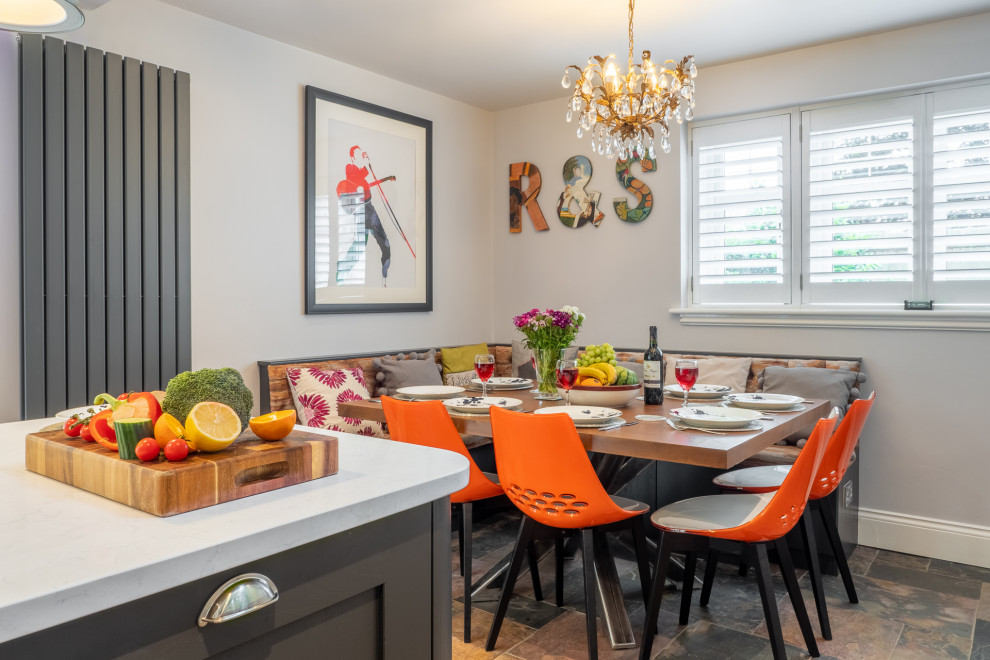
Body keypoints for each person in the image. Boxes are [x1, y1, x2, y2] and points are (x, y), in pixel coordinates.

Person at [335, 146, 394, 286]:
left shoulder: (360, 173)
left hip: (370, 210)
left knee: (384, 245)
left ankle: (384, 276)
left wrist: (385, 177)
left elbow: (364, 182)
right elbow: (357, 178)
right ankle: (342, 269)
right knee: (360, 247)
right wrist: (366, 165)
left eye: (363, 154)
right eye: (359, 155)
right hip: (361, 213)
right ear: (352, 158)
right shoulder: (350, 168)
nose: (363, 156)